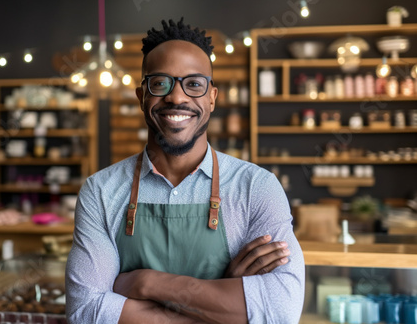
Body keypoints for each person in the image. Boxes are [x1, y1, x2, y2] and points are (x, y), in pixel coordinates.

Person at [66, 18, 305, 324]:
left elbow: (281, 310)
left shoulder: (256, 187)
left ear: (212, 98)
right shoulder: (100, 191)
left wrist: (145, 283)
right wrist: (223, 299)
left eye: (194, 84)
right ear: (142, 98)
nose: (177, 97)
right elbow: (86, 312)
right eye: (160, 83)